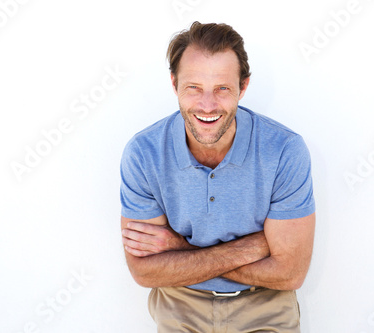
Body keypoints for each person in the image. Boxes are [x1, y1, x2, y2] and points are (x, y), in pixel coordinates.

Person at [120, 21, 316, 333]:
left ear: (244, 86)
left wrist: (182, 251)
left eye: (222, 88)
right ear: (174, 84)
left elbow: (289, 273)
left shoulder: (284, 150)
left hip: (265, 305)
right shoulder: (143, 153)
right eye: (193, 88)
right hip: (180, 302)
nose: (207, 105)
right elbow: (145, 272)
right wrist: (253, 247)